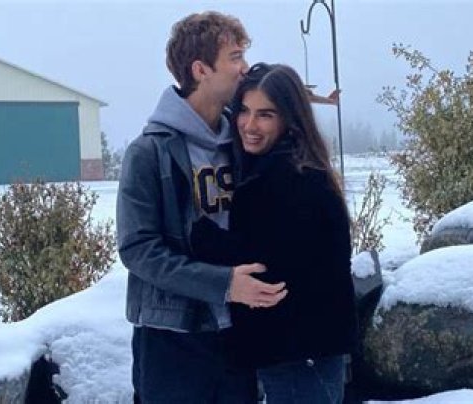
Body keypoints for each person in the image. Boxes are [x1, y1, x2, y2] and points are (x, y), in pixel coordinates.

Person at [116, 13, 288, 404]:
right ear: (201, 70)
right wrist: (224, 284)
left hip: (239, 331)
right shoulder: (148, 152)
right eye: (235, 57)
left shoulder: (244, 144)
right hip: (173, 338)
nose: (244, 68)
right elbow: (138, 250)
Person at [227, 63, 358, 403]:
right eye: (244, 110)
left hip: (297, 352)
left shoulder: (285, 181)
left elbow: (261, 263)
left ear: (289, 117)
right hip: (308, 349)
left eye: (265, 115)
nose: (249, 125)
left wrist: (196, 236)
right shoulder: (300, 167)